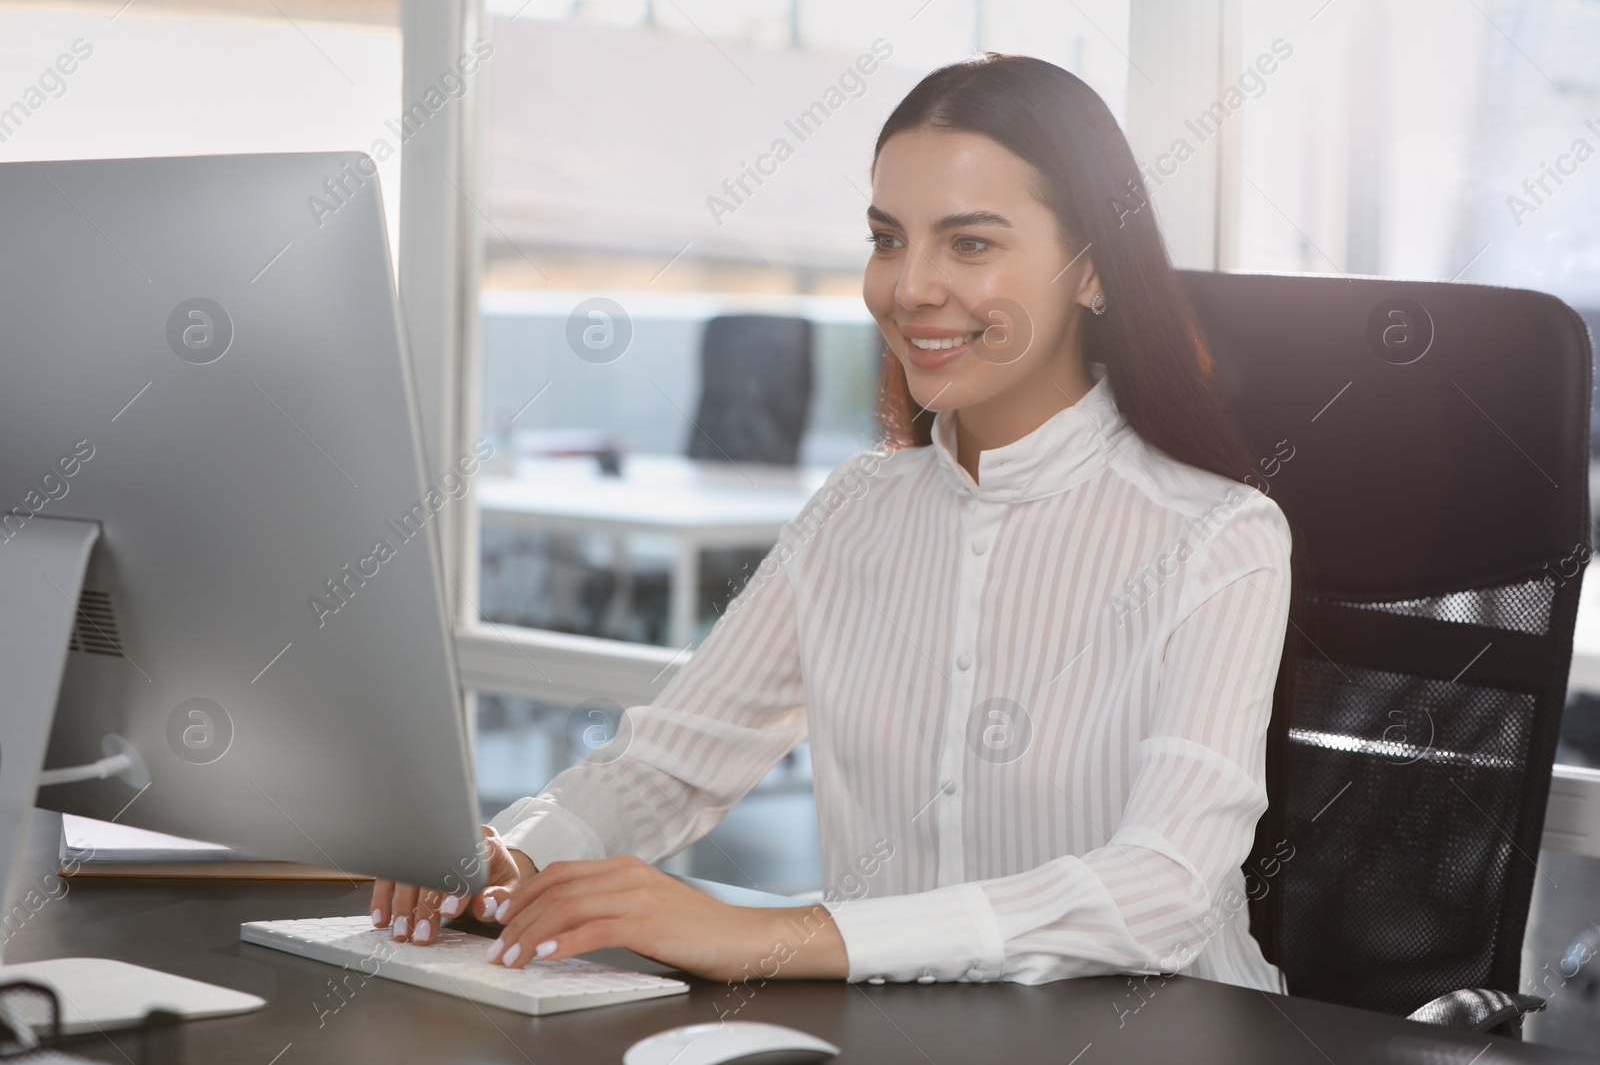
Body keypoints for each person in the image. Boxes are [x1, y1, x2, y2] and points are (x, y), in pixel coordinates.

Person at [371, 51, 1295, 992]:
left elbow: (1163, 887)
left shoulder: (1221, 536)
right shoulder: (856, 512)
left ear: (1091, 270)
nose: (911, 287)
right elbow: (674, 762)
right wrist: (520, 854)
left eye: (970, 244)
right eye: (889, 239)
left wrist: (772, 933)